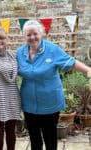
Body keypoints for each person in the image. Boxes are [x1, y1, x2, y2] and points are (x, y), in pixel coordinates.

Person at [16, 19, 91, 150]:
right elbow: (8, 67)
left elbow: (71, 62)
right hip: (29, 105)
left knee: (50, 140)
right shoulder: (19, 53)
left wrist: (88, 70)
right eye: (28, 35)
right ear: (24, 37)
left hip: (50, 104)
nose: (32, 37)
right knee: (35, 140)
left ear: (41, 33)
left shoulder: (52, 50)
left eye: (35, 33)